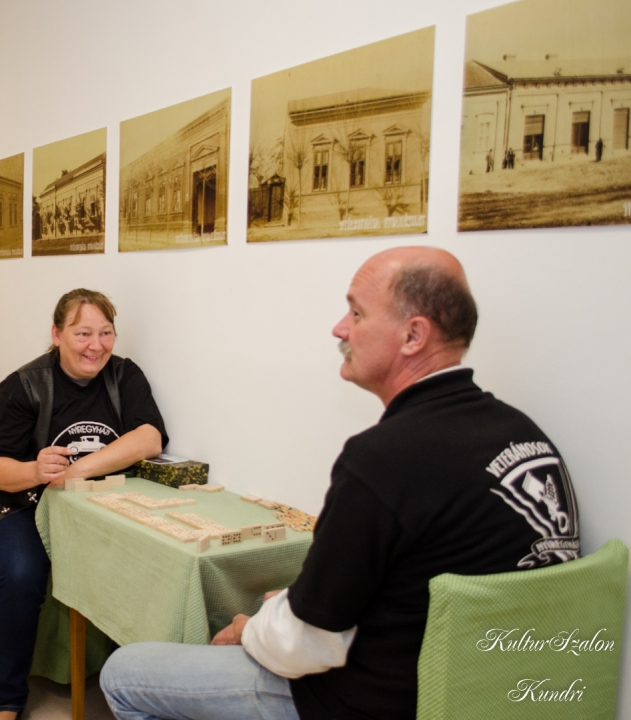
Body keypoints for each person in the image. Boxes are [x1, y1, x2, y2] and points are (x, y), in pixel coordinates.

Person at [100, 247, 581, 720]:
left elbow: (304, 646)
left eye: (356, 312)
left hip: (375, 699)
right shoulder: (526, 435)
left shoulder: (384, 458)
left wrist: (252, 629)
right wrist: (296, 605)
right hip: (497, 694)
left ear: (413, 335)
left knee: (125, 674)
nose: (339, 328)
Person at [0, 288, 168, 720]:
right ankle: (7, 700)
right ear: (56, 334)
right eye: (83, 334)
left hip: (93, 504)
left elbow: (150, 438)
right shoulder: (24, 384)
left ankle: (133, 684)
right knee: (23, 574)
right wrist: (36, 470)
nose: (95, 346)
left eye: (106, 333)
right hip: (19, 504)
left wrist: (77, 470)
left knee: (146, 560)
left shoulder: (124, 376)